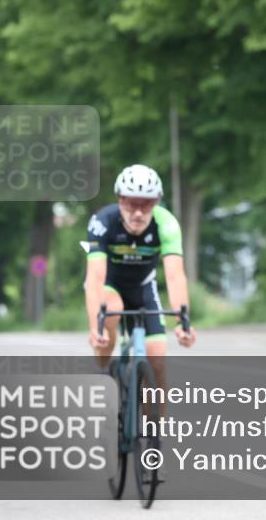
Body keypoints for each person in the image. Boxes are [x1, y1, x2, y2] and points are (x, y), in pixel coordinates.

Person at [85, 165, 197, 395]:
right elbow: (95, 278)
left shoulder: (166, 224)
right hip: (109, 285)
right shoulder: (103, 222)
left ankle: (154, 429)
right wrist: (95, 327)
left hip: (143, 287)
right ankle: (104, 369)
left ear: (156, 202)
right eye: (131, 203)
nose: (138, 212)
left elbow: (175, 276)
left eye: (146, 204)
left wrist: (183, 322)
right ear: (120, 199)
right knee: (112, 309)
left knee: (157, 362)